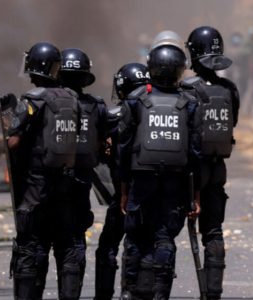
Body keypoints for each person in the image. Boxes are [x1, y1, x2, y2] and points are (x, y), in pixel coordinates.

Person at [119, 41, 200, 299]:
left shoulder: (135, 100)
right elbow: (195, 154)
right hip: (175, 184)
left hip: (140, 182)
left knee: (134, 238)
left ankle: (129, 291)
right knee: (165, 238)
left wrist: (123, 189)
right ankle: (160, 293)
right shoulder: (189, 102)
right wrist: (194, 195)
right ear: (180, 70)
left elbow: (123, 148)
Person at [5, 42, 81, 300]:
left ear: (34, 68)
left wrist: (8, 119)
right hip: (65, 187)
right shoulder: (72, 99)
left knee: (30, 249)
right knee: (66, 249)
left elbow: (13, 142)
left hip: (36, 189)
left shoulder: (32, 100)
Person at [181, 26, 240, 300]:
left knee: (162, 233)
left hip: (187, 172)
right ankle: (213, 293)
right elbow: (232, 123)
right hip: (217, 168)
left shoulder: (185, 90)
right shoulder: (230, 89)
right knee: (213, 232)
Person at [94, 62, 150, 300]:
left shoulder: (114, 115)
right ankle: (134, 291)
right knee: (146, 244)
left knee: (108, 246)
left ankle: (105, 295)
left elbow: (100, 151)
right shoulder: (159, 108)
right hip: (154, 192)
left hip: (124, 193)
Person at [58, 47, 105, 298]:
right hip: (80, 182)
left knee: (41, 242)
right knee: (75, 240)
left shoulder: (42, 103)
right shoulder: (95, 107)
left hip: (47, 184)